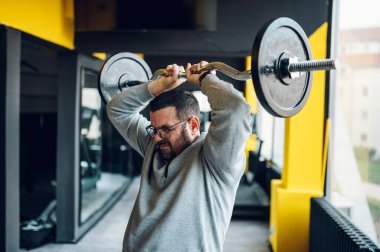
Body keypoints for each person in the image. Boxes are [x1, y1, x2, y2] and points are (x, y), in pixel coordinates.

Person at [107, 61, 252, 252]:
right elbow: (116, 109)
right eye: (154, 129)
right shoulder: (155, 145)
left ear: (193, 125)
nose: (157, 137)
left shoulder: (216, 159)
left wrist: (205, 79)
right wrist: (158, 87)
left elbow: (236, 109)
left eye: (166, 129)